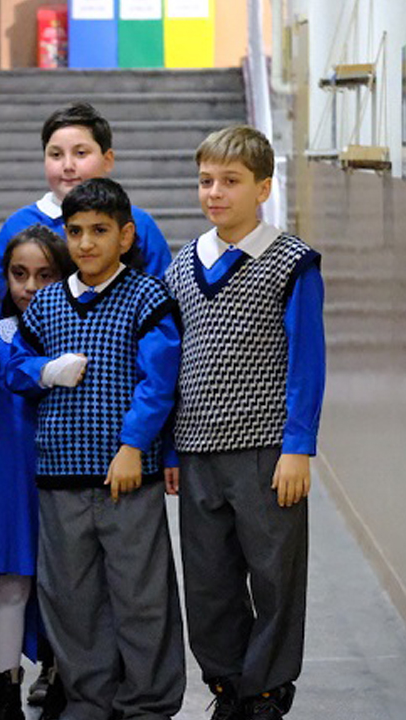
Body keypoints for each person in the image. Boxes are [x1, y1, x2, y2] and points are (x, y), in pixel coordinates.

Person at [8, 178, 185, 720]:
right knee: (71, 597)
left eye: (100, 231)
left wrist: (133, 446)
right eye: (76, 231)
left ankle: (148, 702)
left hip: (125, 477)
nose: (86, 243)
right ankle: (90, 697)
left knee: (140, 596)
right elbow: (15, 368)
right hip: (60, 476)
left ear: (125, 236)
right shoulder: (47, 305)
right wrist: (43, 370)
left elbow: (158, 382)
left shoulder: (147, 297)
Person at [165, 126, 325, 720]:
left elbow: (308, 359)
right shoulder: (183, 265)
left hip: (265, 451)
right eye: (206, 181)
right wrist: (169, 450)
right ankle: (228, 685)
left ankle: (267, 689)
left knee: (275, 576)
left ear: (262, 187)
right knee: (209, 581)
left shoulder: (291, 262)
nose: (215, 193)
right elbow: (172, 361)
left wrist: (299, 446)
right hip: (197, 447)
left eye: (230, 182)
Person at [0, 225, 74, 720]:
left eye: (45, 275)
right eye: (19, 274)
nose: (29, 286)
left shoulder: (75, 330)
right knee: (14, 581)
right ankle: (5, 687)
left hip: (67, 469)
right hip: (9, 472)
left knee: (69, 580)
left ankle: (68, 679)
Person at [0, 102, 172, 301]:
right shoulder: (17, 226)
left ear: (108, 160)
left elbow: (162, 300)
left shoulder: (138, 224)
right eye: (56, 155)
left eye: (81, 153)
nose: (68, 166)